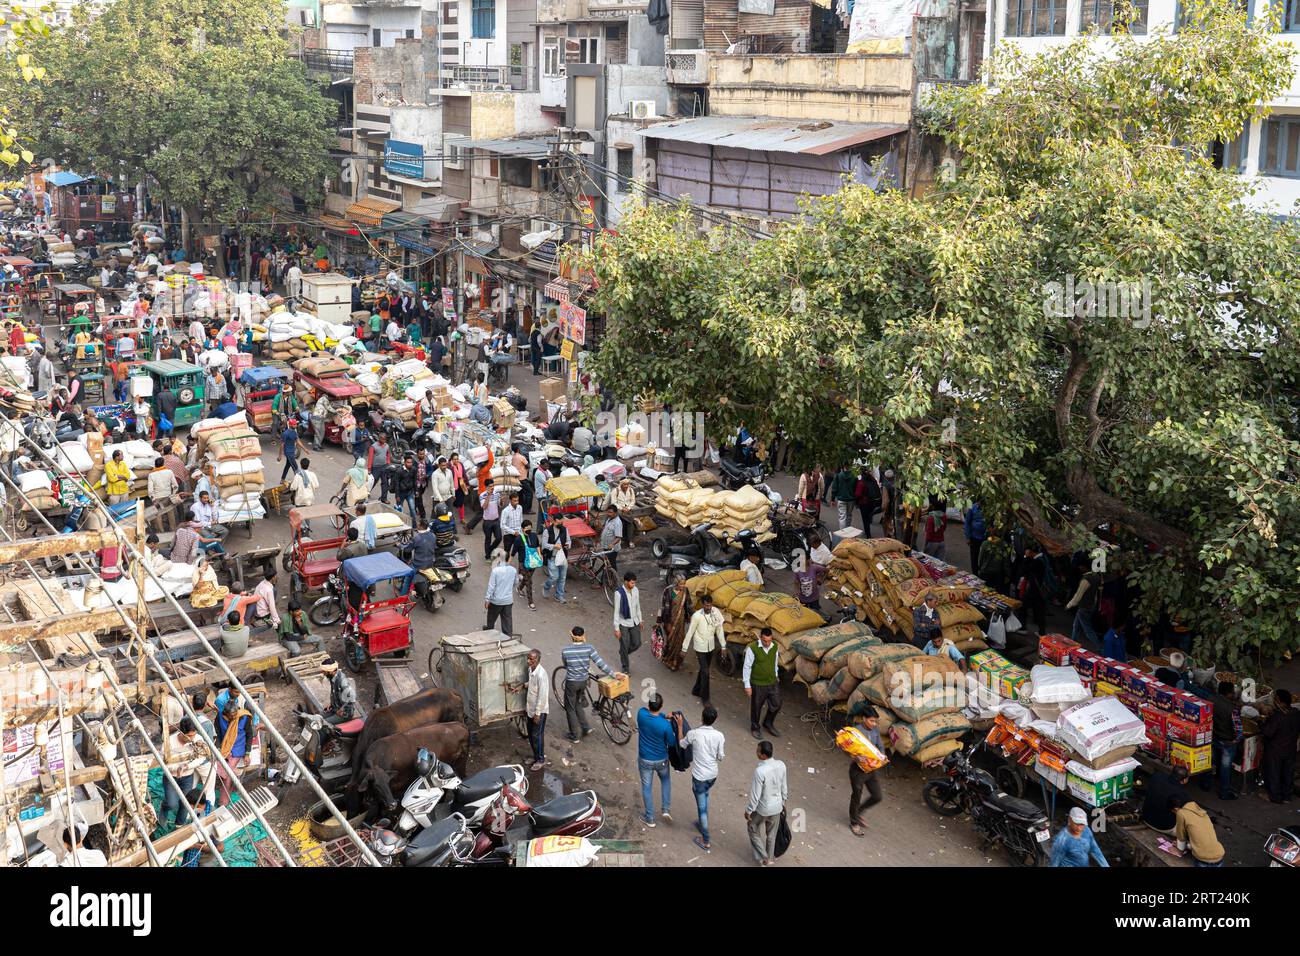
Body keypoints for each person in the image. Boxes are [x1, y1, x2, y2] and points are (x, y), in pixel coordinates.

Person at [675, 705, 725, 851]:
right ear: (714, 720)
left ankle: (706, 840)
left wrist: (679, 726)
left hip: (699, 777)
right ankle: (701, 823)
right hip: (712, 775)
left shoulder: (693, 734)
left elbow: (681, 744)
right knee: (705, 795)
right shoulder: (720, 736)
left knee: (701, 807)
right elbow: (720, 757)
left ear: (702, 718)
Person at [560, 626, 615, 742]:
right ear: (583, 636)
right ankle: (586, 727)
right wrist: (614, 674)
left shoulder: (566, 650)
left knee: (570, 707)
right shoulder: (589, 648)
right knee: (577, 703)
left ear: (572, 636)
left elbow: (565, 665)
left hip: (572, 682)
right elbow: (600, 664)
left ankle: (575, 735)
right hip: (583, 681)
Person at [746, 739, 788, 866]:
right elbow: (784, 786)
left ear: (763, 755)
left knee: (752, 828)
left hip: (763, 808)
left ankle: (764, 857)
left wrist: (749, 810)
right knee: (771, 834)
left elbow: (755, 794)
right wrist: (783, 802)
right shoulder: (781, 765)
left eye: (758, 751)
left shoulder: (760, 771)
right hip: (778, 805)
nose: (756, 752)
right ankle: (770, 858)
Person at [636, 693, 675, 827]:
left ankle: (650, 818)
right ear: (661, 705)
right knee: (665, 780)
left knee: (647, 787)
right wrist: (665, 716)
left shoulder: (641, 714)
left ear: (648, 705)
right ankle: (665, 809)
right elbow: (671, 742)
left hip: (645, 759)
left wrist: (663, 715)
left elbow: (649, 712)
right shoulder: (665, 725)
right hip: (662, 760)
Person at [1202, 681, 1242, 800]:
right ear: (1228, 694)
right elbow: (1238, 729)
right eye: (1233, 692)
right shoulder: (1232, 709)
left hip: (1213, 737)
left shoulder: (1210, 700)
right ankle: (1224, 792)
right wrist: (1236, 740)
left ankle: (1205, 784)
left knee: (1210, 761)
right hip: (1226, 742)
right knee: (1225, 767)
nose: (1234, 694)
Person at [848, 707, 885, 836]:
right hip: (858, 770)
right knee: (856, 796)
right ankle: (854, 822)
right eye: (871, 721)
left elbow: (880, 745)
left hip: (871, 770)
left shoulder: (875, 731)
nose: (874, 724)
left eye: (875, 721)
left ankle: (858, 812)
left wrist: (882, 757)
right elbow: (847, 749)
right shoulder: (856, 732)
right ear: (864, 719)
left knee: (877, 796)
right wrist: (857, 757)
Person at [685, 592, 726, 704]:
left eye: (710, 605)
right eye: (706, 605)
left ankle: (696, 690)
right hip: (700, 646)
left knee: (704, 669)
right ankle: (705, 698)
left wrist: (723, 646)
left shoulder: (716, 612)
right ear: (702, 605)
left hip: (710, 646)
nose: (708, 607)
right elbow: (690, 632)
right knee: (706, 672)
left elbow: (719, 630)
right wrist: (684, 649)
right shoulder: (697, 616)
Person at [214, 698, 256, 806]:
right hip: (224, 747)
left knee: (228, 773)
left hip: (238, 748)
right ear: (225, 714)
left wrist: (247, 753)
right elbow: (217, 734)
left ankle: (223, 802)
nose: (234, 717)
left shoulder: (244, 717)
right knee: (216, 768)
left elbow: (249, 735)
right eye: (231, 716)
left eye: (235, 714)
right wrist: (219, 749)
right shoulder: (219, 717)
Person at [1261, 688, 1300, 804]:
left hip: (1275, 749)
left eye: (1275, 699)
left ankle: (1275, 797)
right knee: (1287, 772)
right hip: (1290, 748)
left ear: (1278, 700)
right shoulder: (1296, 713)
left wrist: (1261, 723)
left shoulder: (1278, 717)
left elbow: (1268, 733)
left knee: (1274, 772)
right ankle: (1287, 795)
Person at [744, 627, 782, 739]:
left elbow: (775, 662)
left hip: (772, 682)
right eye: (765, 640)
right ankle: (755, 728)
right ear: (760, 638)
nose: (767, 643)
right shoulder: (752, 648)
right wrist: (747, 686)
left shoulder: (774, 646)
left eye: (769, 640)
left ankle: (768, 723)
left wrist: (776, 675)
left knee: (777, 704)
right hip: (757, 683)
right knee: (756, 707)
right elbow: (747, 667)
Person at [1172, 795, 1225, 867]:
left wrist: (1179, 850)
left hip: (1203, 860)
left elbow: (1181, 836)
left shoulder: (1181, 813)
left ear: (1175, 809)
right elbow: (1202, 841)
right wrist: (1187, 846)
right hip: (1219, 857)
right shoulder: (1202, 813)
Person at [1140, 766, 1190, 834]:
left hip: (1146, 817)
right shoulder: (1182, 794)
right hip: (1164, 827)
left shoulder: (1157, 776)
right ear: (1184, 780)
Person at [658, 573, 691, 672]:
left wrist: (692, 615)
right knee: (671, 640)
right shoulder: (669, 591)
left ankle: (676, 661)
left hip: (680, 621)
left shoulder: (685, 591)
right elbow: (663, 608)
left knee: (680, 640)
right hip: (670, 621)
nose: (682, 586)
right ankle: (668, 659)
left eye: (684, 584)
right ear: (676, 583)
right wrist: (662, 622)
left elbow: (689, 604)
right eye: (681, 584)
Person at [483, 548, 517, 636]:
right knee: (507, 620)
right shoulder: (513, 570)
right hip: (508, 600)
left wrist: (487, 599)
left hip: (496, 601)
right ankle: (508, 637)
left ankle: (489, 631)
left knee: (491, 618)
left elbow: (491, 586)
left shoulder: (495, 571)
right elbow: (515, 582)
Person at [516, 518, 542, 610]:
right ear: (523, 529)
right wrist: (508, 563)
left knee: (527, 579)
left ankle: (519, 588)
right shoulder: (519, 539)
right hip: (523, 563)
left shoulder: (534, 536)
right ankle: (530, 602)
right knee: (529, 582)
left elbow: (537, 545)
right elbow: (513, 552)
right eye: (527, 528)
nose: (529, 529)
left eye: (530, 527)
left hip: (533, 562)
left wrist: (540, 555)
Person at [289, 456, 320, 529]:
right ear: (308, 465)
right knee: (307, 515)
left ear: (301, 465)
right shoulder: (312, 474)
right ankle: (307, 528)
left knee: (299, 514)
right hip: (309, 498)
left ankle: (301, 530)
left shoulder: (298, 475)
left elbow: (293, 487)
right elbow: (316, 485)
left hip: (300, 499)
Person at [479, 478, 503, 560]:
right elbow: (484, 507)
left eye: (493, 486)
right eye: (490, 486)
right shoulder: (482, 495)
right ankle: (488, 556)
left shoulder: (497, 493)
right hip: (487, 522)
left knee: (499, 537)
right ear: (486, 487)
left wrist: (502, 501)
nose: (492, 488)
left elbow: (500, 505)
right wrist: (488, 496)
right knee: (488, 539)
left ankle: (490, 550)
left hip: (496, 520)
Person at [854, 467, 881, 537]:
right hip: (872, 502)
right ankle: (868, 526)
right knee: (868, 517)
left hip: (864, 503)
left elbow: (858, 494)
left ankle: (868, 534)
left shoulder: (861, 482)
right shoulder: (873, 480)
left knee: (865, 519)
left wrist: (856, 503)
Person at [830, 465, 856, 530]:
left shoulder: (839, 476)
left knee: (842, 517)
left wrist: (832, 499)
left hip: (841, 499)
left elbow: (834, 488)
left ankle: (842, 534)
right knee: (849, 515)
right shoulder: (854, 476)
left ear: (843, 466)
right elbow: (855, 488)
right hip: (851, 499)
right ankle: (848, 531)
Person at [963, 501, 987, 571]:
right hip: (974, 536)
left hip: (985, 537)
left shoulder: (989, 508)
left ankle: (982, 571)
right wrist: (968, 537)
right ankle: (975, 573)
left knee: (984, 556)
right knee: (974, 556)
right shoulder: (972, 508)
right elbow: (967, 522)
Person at [500, 491, 524, 560]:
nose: (516, 502)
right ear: (510, 500)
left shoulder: (520, 508)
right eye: (514, 501)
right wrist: (513, 532)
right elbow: (502, 525)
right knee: (507, 552)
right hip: (508, 535)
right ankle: (505, 567)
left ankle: (521, 568)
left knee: (522, 550)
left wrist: (521, 531)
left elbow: (521, 520)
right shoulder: (505, 511)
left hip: (519, 533)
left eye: (517, 500)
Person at [599, 505, 623, 572]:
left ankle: (614, 579)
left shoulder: (617, 523)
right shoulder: (609, 519)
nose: (608, 514)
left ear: (615, 513)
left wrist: (612, 544)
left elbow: (618, 537)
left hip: (612, 549)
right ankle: (607, 577)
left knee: (611, 564)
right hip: (606, 546)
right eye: (608, 512)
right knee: (607, 563)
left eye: (610, 512)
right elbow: (604, 529)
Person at [278, 419, 300, 484]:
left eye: (296, 424)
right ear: (290, 425)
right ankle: (298, 482)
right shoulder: (285, 433)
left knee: (288, 465)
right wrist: (280, 456)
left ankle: (282, 479)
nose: (296, 425)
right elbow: (282, 445)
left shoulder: (294, 432)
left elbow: (297, 441)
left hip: (292, 452)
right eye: (294, 424)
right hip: (288, 452)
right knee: (295, 467)